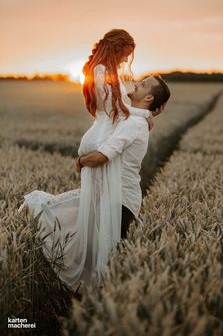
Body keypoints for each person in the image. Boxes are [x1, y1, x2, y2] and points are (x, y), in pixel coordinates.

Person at [18, 29, 165, 292]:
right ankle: (96, 294)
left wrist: (144, 116)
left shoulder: (128, 113)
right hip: (106, 145)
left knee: (97, 243)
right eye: (125, 55)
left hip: (109, 163)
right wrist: (145, 115)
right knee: (92, 238)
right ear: (118, 48)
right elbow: (113, 109)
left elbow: (117, 112)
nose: (126, 62)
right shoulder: (101, 72)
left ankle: (95, 294)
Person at [76, 75, 170, 240]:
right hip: (115, 199)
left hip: (119, 202)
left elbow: (102, 157)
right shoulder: (134, 121)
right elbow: (121, 110)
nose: (136, 83)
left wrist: (80, 161)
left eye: (143, 84)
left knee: (109, 259)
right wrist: (148, 114)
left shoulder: (133, 124)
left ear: (148, 97)